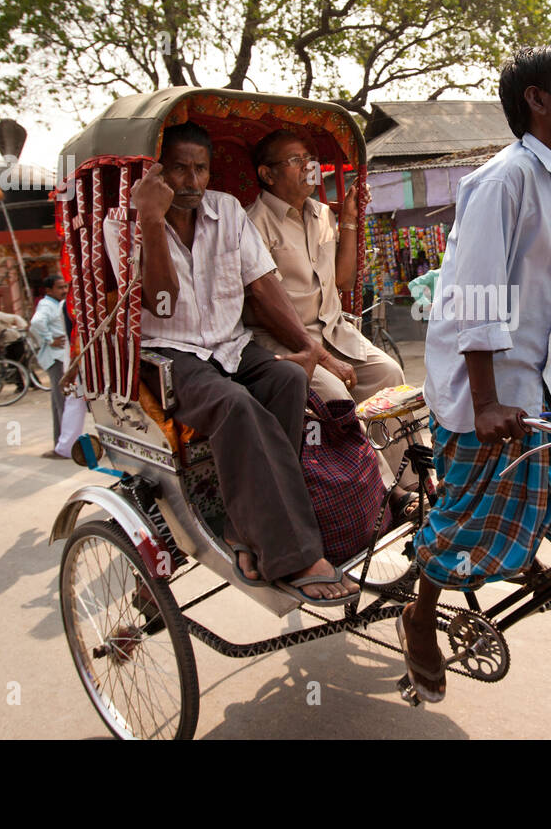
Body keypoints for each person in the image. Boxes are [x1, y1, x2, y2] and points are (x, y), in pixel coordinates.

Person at [398, 44, 551, 702]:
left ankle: (518, 554)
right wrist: (487, 403)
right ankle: (420, 613)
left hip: (544, 375)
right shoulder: (502, 180)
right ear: (538, 101)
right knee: (462, 519)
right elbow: (477, 294)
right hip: (481, 386)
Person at [103, 121, 359, 606]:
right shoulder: (125, 224)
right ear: (156, 172)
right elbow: (158, 303)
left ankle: (244, 530)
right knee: (236, 405)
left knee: (286, 379)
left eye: (200, 169)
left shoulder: (225, 211)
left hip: (231, 345)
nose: (192, 181)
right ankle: (295, 554)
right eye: (178, 169)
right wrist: (152, 222)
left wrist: (312, 350)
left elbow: (263, 286)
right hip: (172, 355)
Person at [245, 129, 415, 511]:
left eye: (310, 158)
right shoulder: (252, 224)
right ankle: (389, 493)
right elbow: (263, 305)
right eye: (295, 160)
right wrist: (320, 356)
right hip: (287, 341)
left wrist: (350, 218)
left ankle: (416, 480)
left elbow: (342, 280)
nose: (308, 167)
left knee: (389, 374)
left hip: (335, 332)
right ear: (267, 174)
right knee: (336, 399)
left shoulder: (322, 213)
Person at [29, 276, 72, 455]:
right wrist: (49, 339)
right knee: (62, 402)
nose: (63, 290)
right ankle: (65, 447)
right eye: (59, 288)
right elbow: (36, 323)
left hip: (62, 357)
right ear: (49, 291)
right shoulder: (47, 305)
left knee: (59, 402)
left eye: (64, 287)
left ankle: (60, 444)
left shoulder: (59, 304)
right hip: (57, 358)